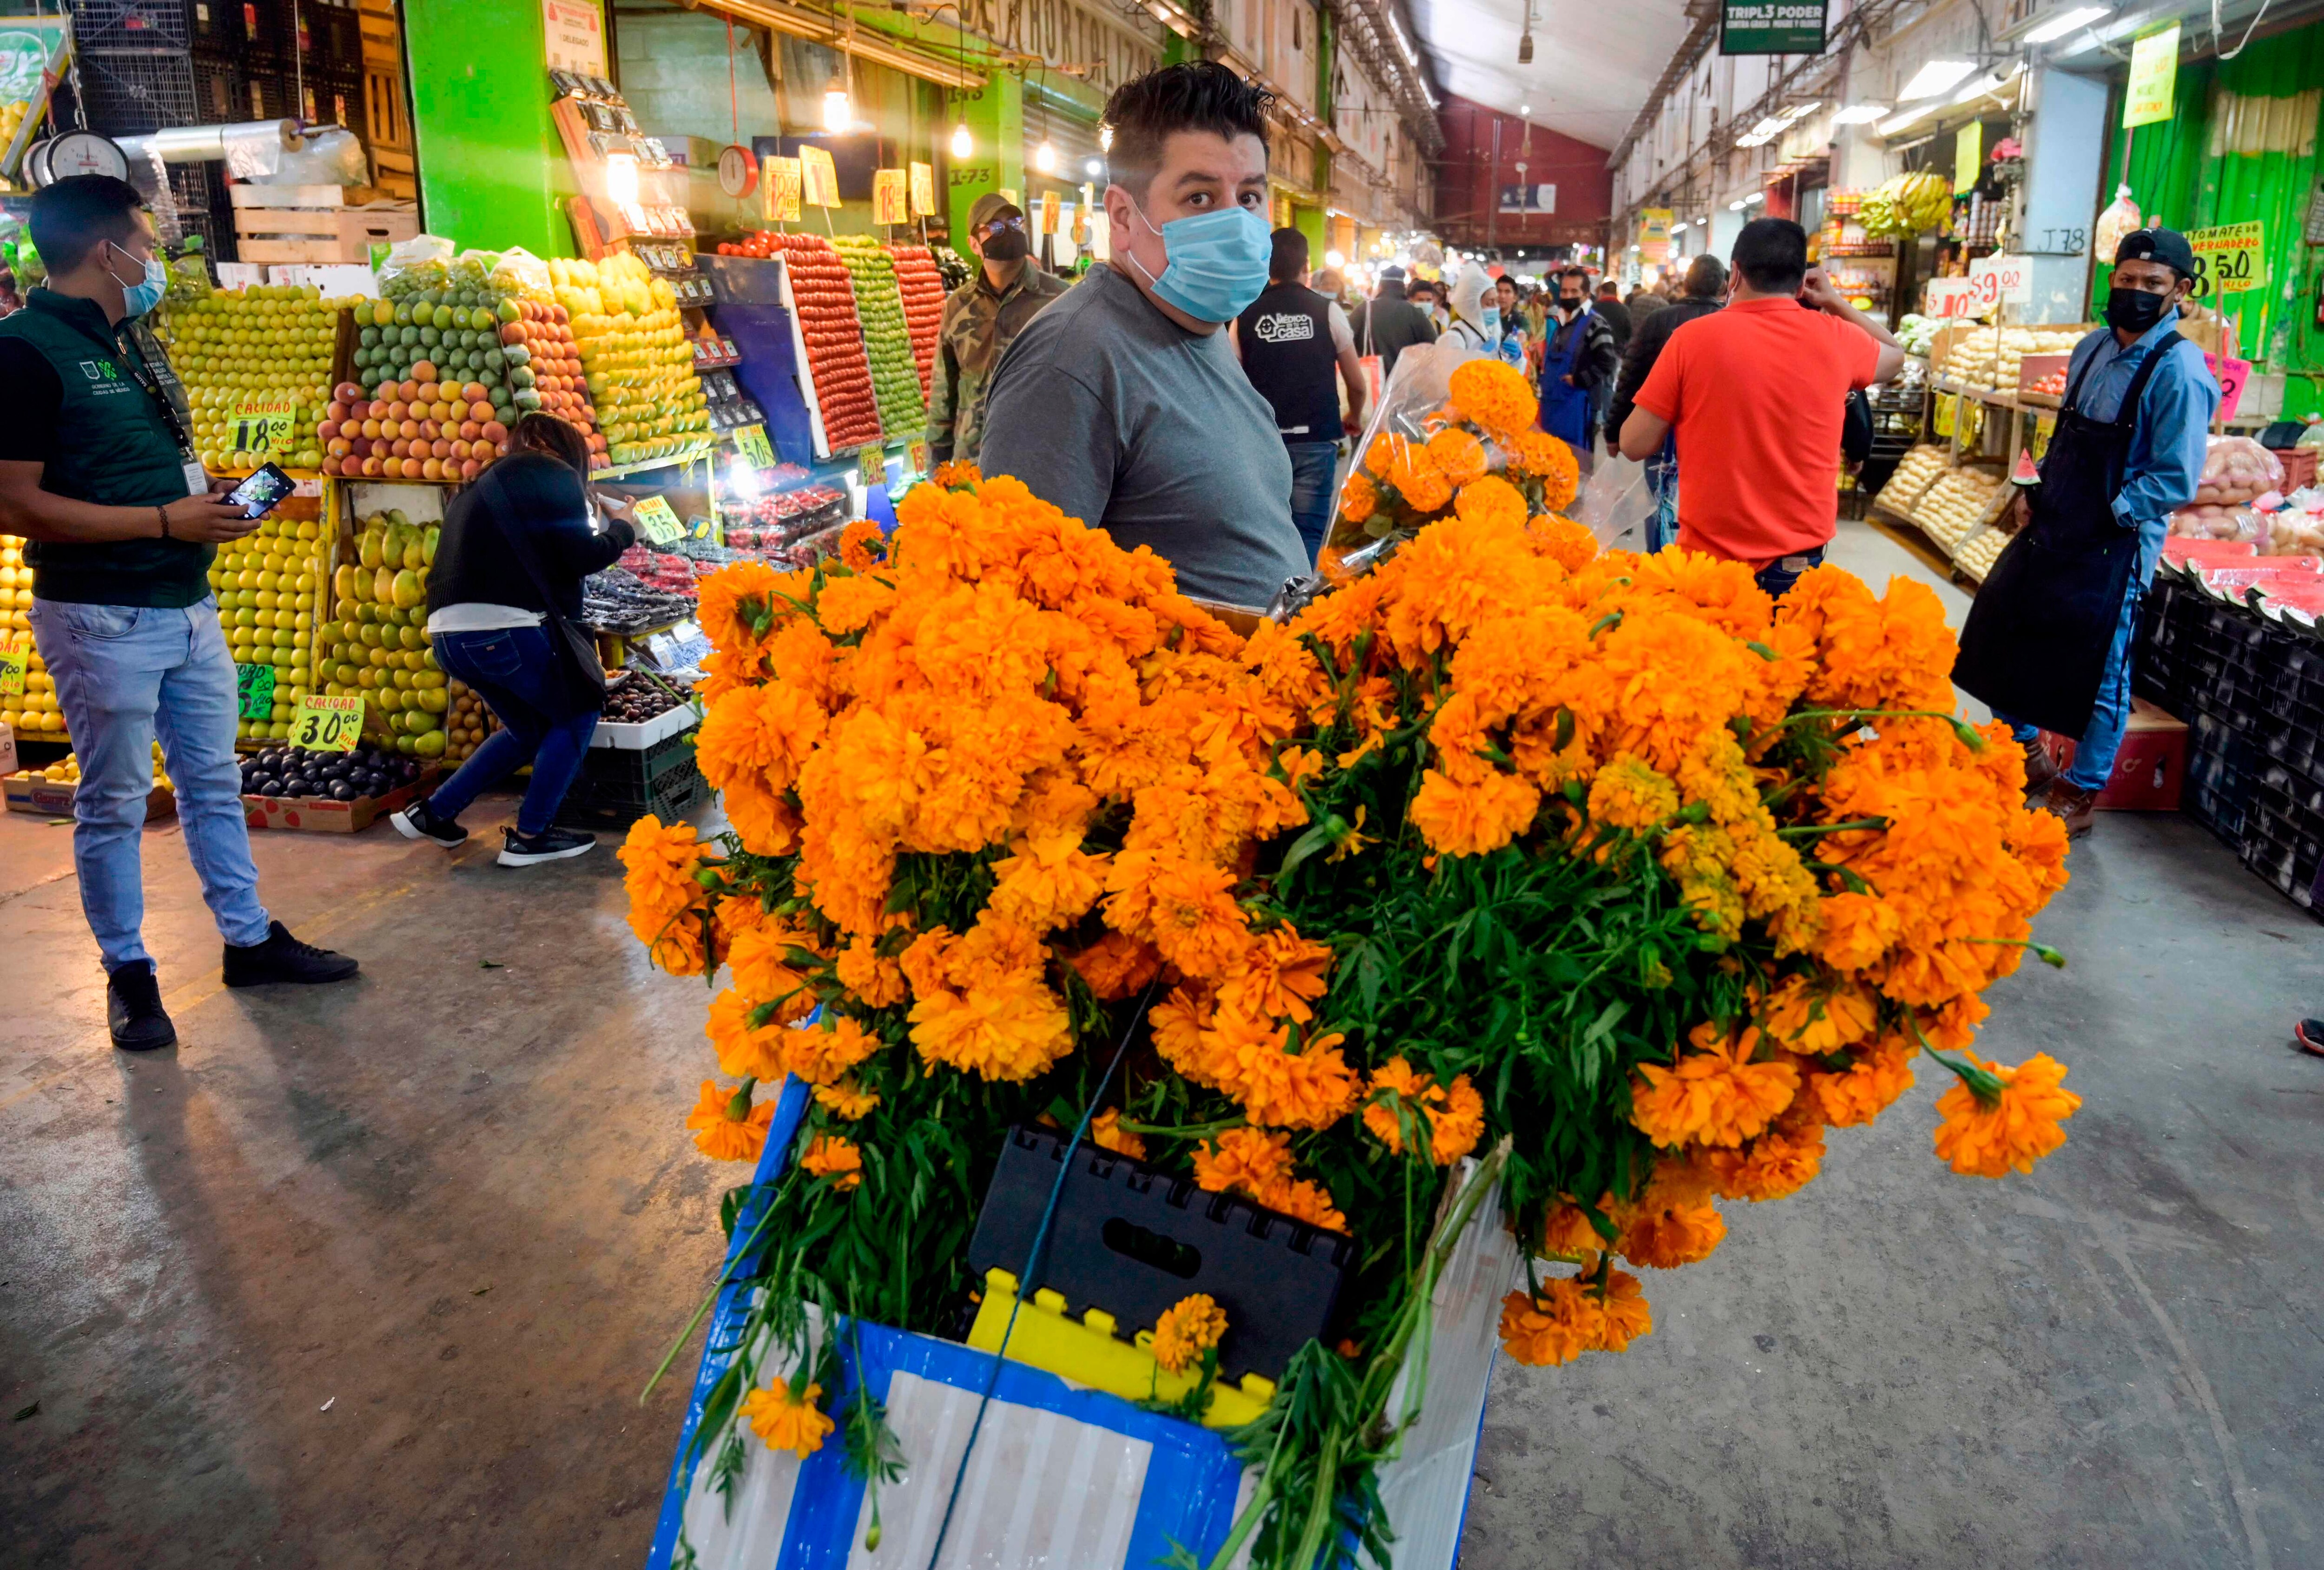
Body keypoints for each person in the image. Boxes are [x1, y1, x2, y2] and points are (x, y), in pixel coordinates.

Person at [0, 175, 357, 1051]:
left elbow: (154, 462)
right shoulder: (24, 351)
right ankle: (129, 972)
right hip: (100, 616)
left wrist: (208, 502)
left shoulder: (136, 336)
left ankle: (248, 939)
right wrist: (164, 520)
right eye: (145, 242)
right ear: (102, 249)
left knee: (213, 782)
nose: (155, 257)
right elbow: (15, 504)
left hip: (188, 602)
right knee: (116, 798)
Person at [978, 61, 1307, 610]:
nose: (1235, 223)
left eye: (1248, 197)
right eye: (1199, 198)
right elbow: (1018, 612)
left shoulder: (1199, 323)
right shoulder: (1070, 362)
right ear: (1123, 216)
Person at [1954, 228, 2218, 839]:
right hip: (2055, 522)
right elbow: (2065, 437)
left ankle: (2083, 786)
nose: (2136, 291)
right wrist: (2036, 487)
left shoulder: (2179, 370)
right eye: (2126, 279)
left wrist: (2110, 512)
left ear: (2179, 290)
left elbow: (2176, 477)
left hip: (2114, 543)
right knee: (1996, 632)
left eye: (2152, 284)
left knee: (2101, 669)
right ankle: (2027, 751)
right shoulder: (2092, 349)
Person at [390, 414, 635, 864]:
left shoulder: (480, 484)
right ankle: (530, 836)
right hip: (502, 627)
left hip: (447, 634)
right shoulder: (555, 474)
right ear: (570, 452)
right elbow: (582, 557)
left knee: (527, 729)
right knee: (578, 712)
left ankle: (433, 813)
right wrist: (621, 529)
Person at [1619, 217, 1903, 598]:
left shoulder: (1691, 341)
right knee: (1784, 657)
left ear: (1734, 274)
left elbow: (1634, 443)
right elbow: (1896, 356)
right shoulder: (1838, 339)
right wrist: (1834, 301)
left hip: (1709, 565)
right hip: (1796, 565)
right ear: (1803, 281)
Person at [1229, 227, 1368, 560]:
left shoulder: (1244, 315)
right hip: (1317, 434)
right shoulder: (1327, 311)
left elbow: (1232, 381)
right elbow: (1357, 383)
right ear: (1306, 265)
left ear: (1267, 266)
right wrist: (1352, 415)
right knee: (1309, 531)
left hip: (1263, 440)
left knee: (1266, 531)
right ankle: (1301, 603)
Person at [925, 193, 1071, 468]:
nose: (1008, 233)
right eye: (995, 228)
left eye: (1015, 224)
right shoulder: (958, 306)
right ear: (974, 244)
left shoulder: (1060, 300)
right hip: (973, 467)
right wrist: (938, 471)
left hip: (1042, 466)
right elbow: (944, 395)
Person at [1607, 254, 1725, 550]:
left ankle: (1661, 569)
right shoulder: (1730, 322)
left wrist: (1614, 430)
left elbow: (1631, 377)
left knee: (1658, 500)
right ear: (1723, 286)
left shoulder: (1658, 321)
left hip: (1660, 430)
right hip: (1712, 437)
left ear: (1685, 285)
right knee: (1708, 507)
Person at [1536, 266, 1619, 452]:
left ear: (1586, 295)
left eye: (1574, 291)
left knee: (1576, 470)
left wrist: (1579, 380)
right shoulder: (1562, 324)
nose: (1568, 295)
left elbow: (1608, 363)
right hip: (1551, 408)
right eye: (1565, 291)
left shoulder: (1596, 324)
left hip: (1578, 412)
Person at [1348, 264, 1437, 384]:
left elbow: (1345, 344)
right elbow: (1432, 350)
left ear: (1380, 287)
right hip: (1403, 388)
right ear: (1403, 289)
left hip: (1371, 385)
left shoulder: (1364, 310)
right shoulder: (1416, 314)